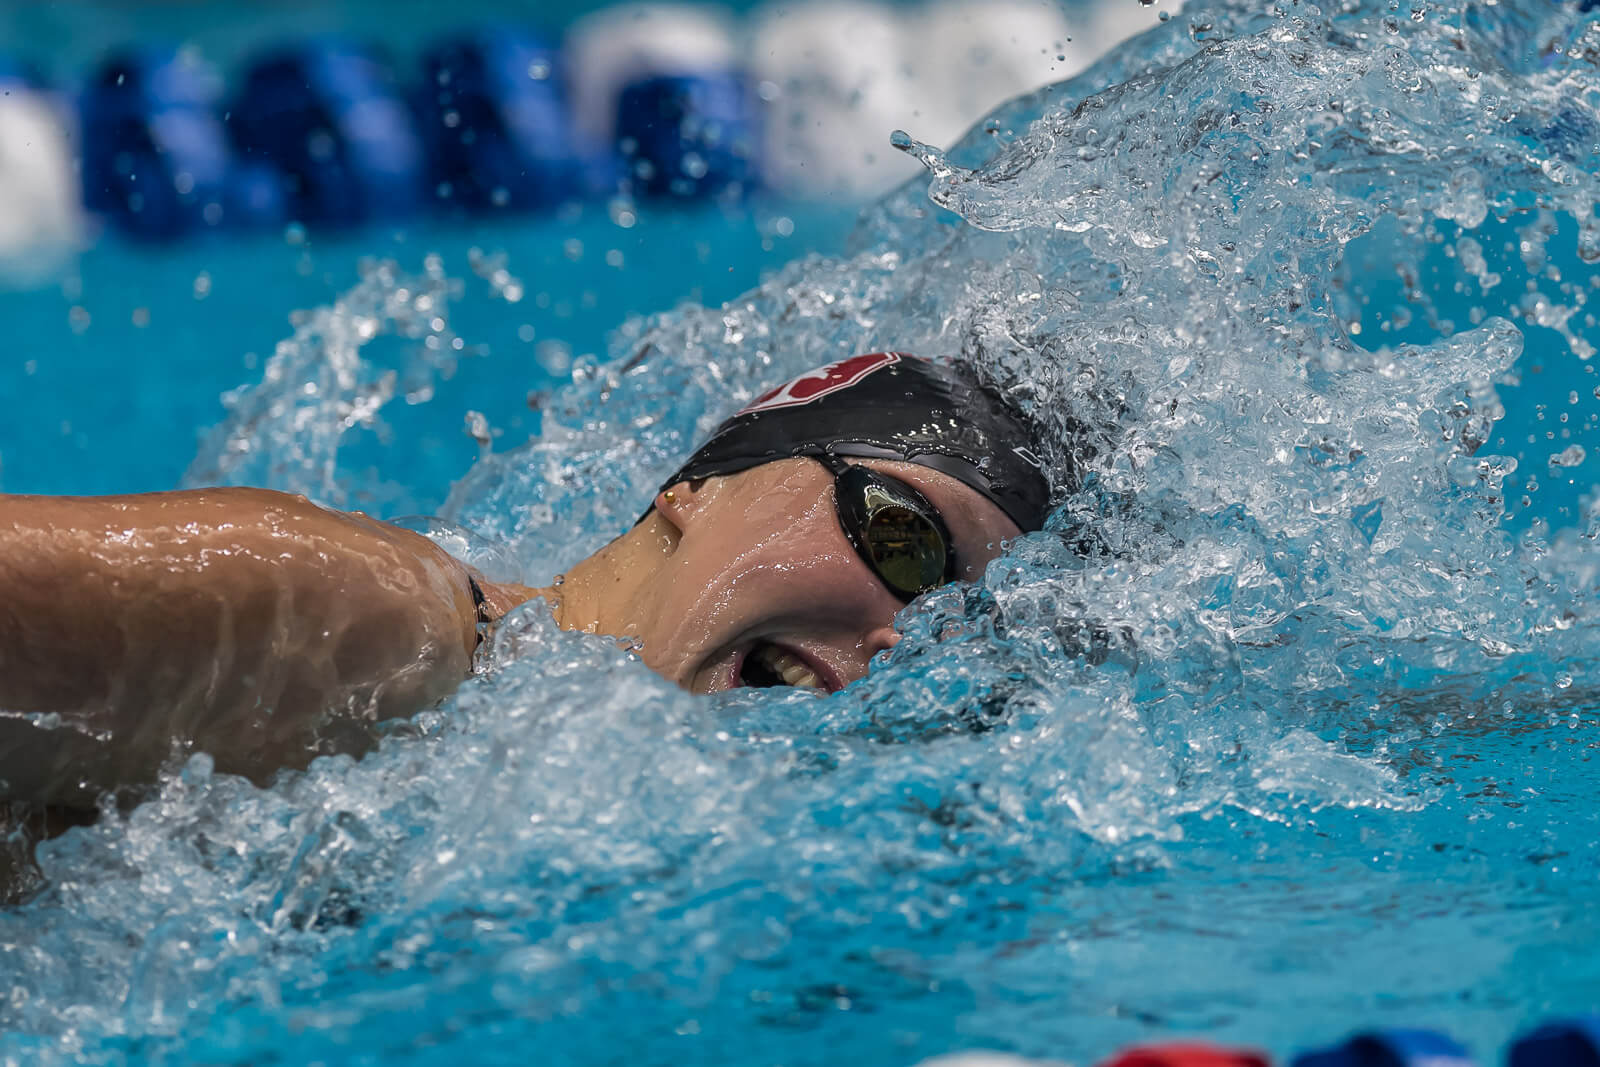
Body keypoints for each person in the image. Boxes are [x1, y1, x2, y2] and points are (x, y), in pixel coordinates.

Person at [0, 352, 1050, 815]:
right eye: (906, 544)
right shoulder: (365, 620)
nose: (906, 643)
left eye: (964, 636)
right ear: (699, 486)